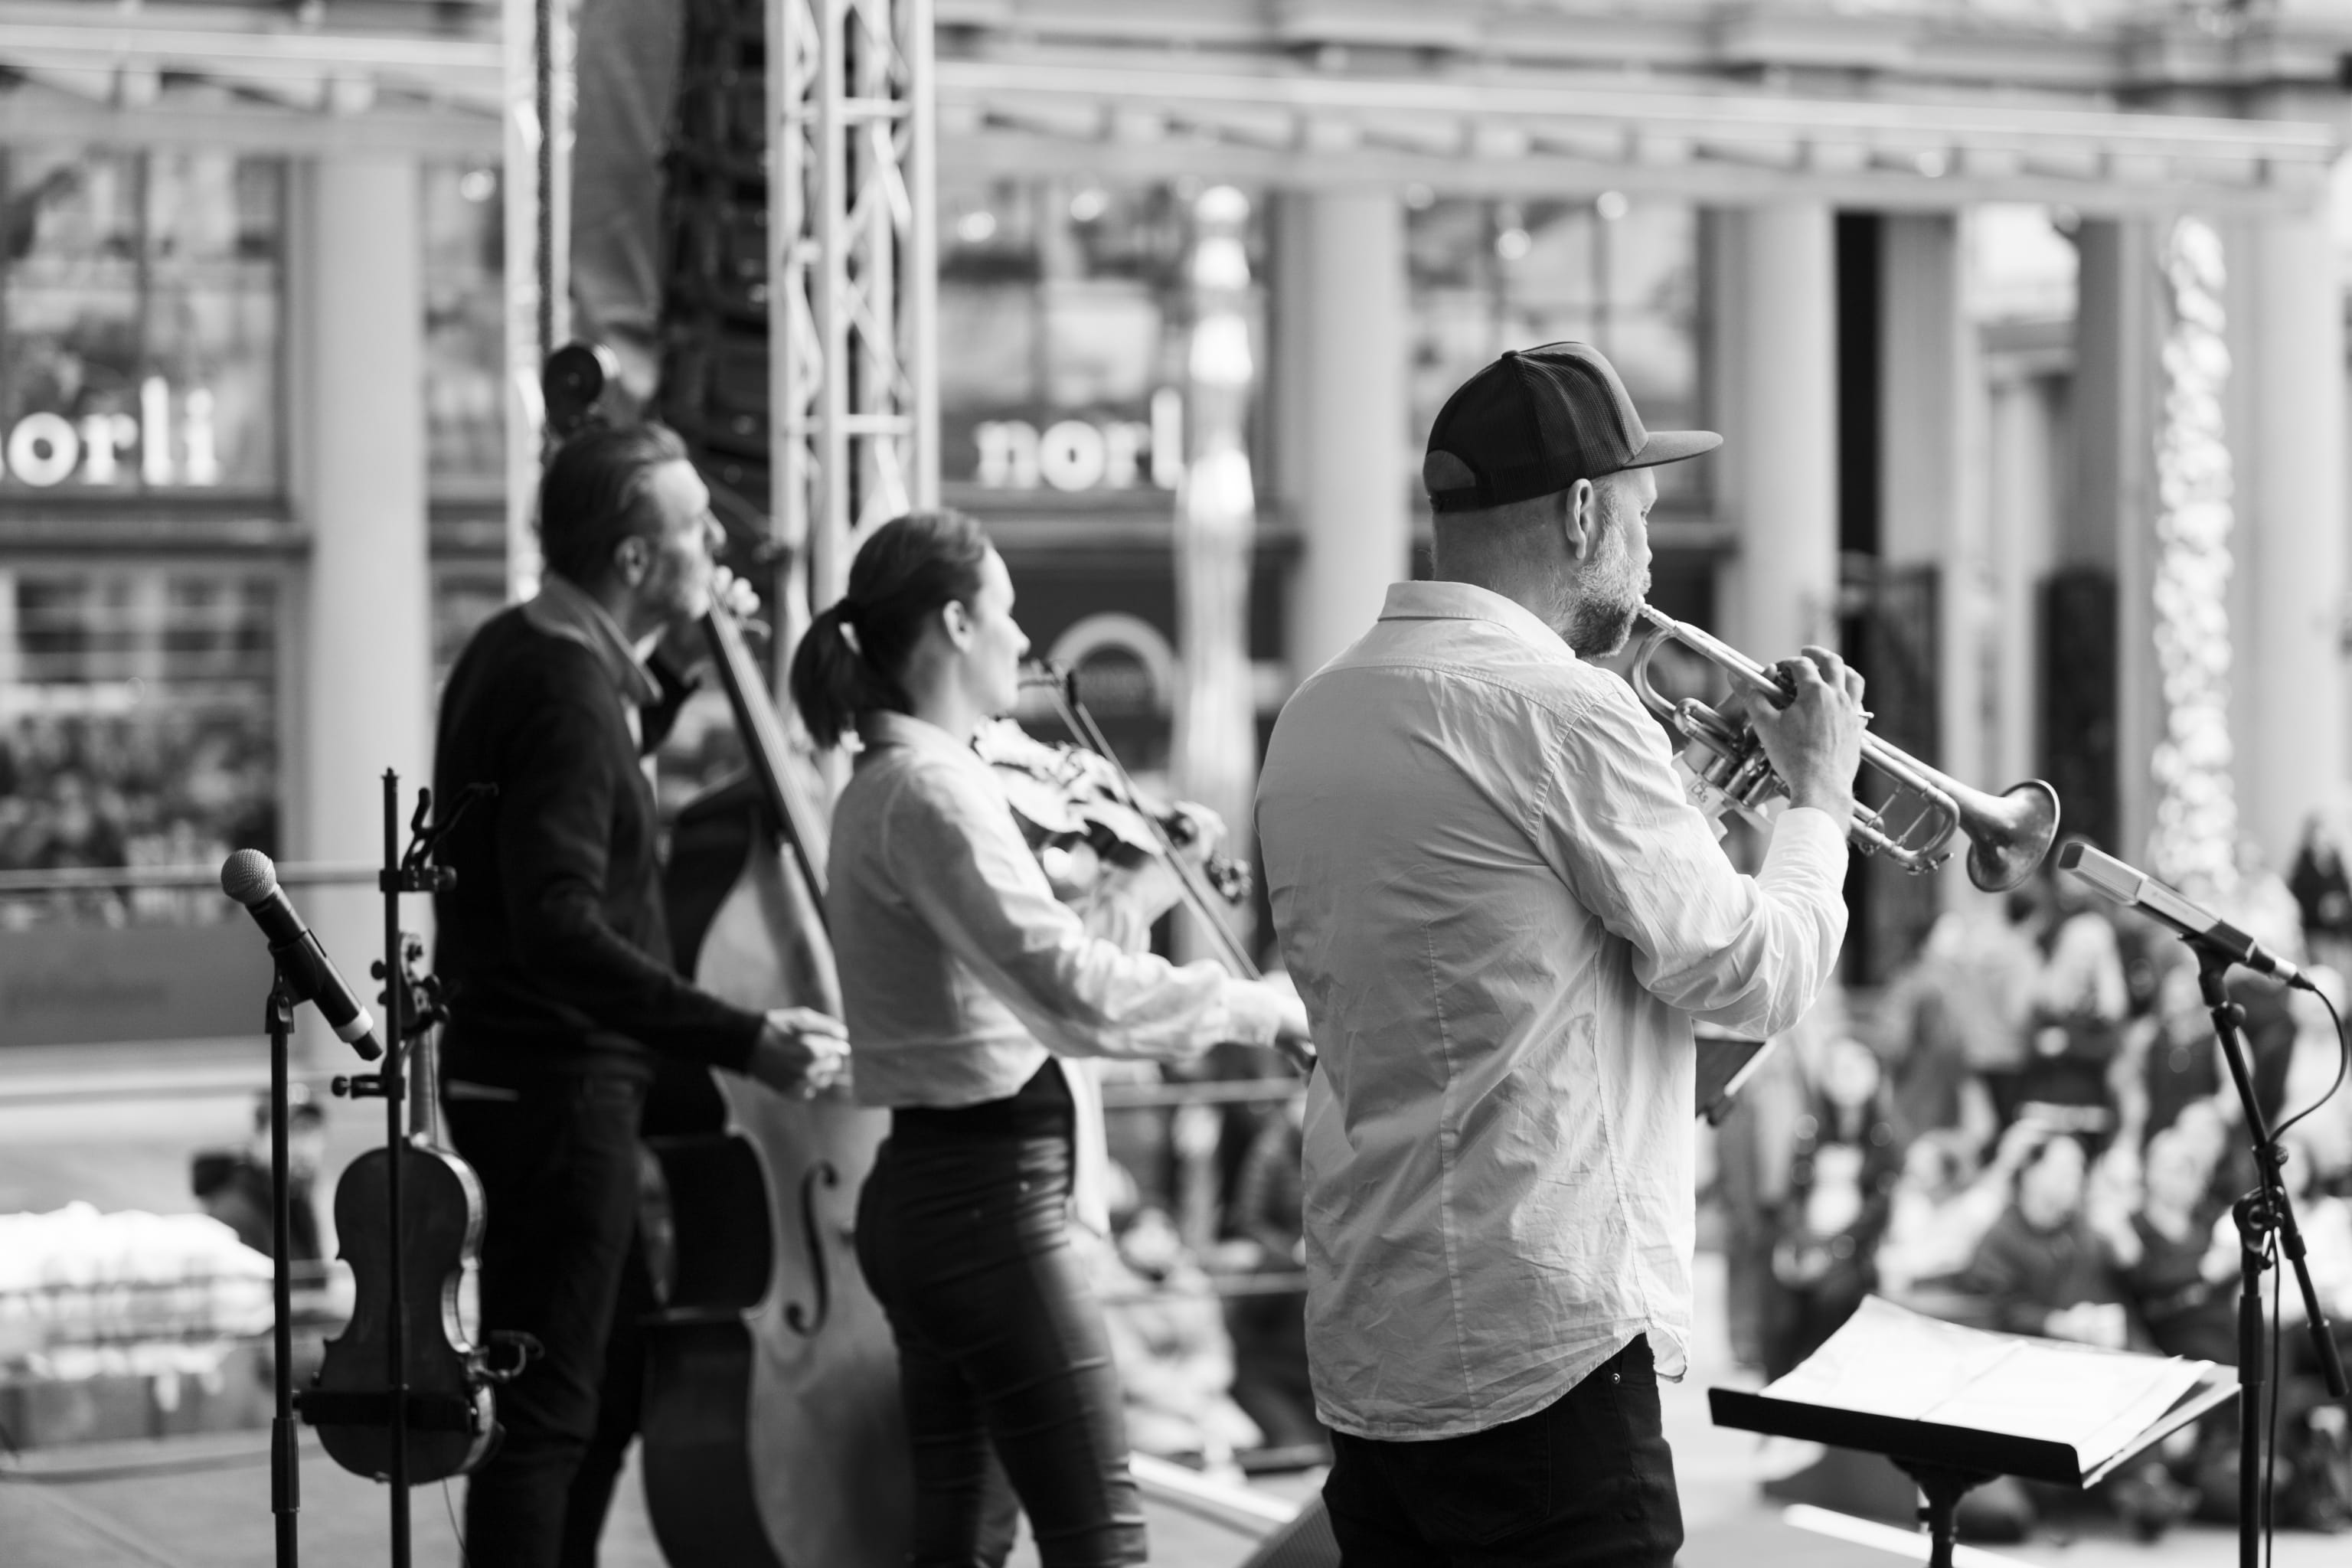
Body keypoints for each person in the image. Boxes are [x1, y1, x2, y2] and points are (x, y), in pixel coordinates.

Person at [1254, 341, 1860, 1566]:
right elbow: (1752, 967)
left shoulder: (1318, 711)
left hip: (1380, 1344)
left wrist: (1676, 791)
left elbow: (1510, 949)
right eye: (1639, 515)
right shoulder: (1564, 714)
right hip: (1546, 1359)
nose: (1647, 552)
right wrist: (1820, 803)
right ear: (1583, 513)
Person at [787, 509, 1312, 1568]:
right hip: (988, 1207)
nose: (1023, 642)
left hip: (940, 1194)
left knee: (965, 1542)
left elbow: (1035, 989)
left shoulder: (891, 787)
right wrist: (1262, 1005)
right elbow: (1072, 994)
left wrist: (1138, 879)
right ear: (952, 623)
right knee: (1102, 1544)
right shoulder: (932, 791)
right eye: (1006, 613)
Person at [430, 422, 850, 1568]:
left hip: (535, 1081)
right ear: (631, 559)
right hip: (558, 1090)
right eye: (692, 526)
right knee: (551, 1411)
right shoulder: (564, 693)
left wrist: (675, 678)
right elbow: (561, 924)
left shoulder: (530, 649)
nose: (715, 542)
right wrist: (742, 1038)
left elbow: (590, 774)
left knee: (604, 1385)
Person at [192, 1084, 328, 1268]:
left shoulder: (294, 1200)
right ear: (257, 1138)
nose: (305, 1148)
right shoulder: (232, 1215)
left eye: (312, 1132)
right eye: (291, 1132)